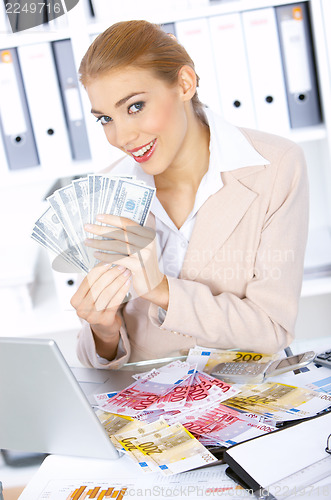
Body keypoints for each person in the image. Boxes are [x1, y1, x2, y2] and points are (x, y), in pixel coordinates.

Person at [71, 20, 309, 369]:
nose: (121, 137)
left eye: (135, 106)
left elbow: (271, 328)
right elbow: (98, 361)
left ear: (184, 84)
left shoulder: (276, 166)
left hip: (247, 390)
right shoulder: (108, 189)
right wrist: (103, 330)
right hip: (149, 406)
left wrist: (161, 289)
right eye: (105, 119)